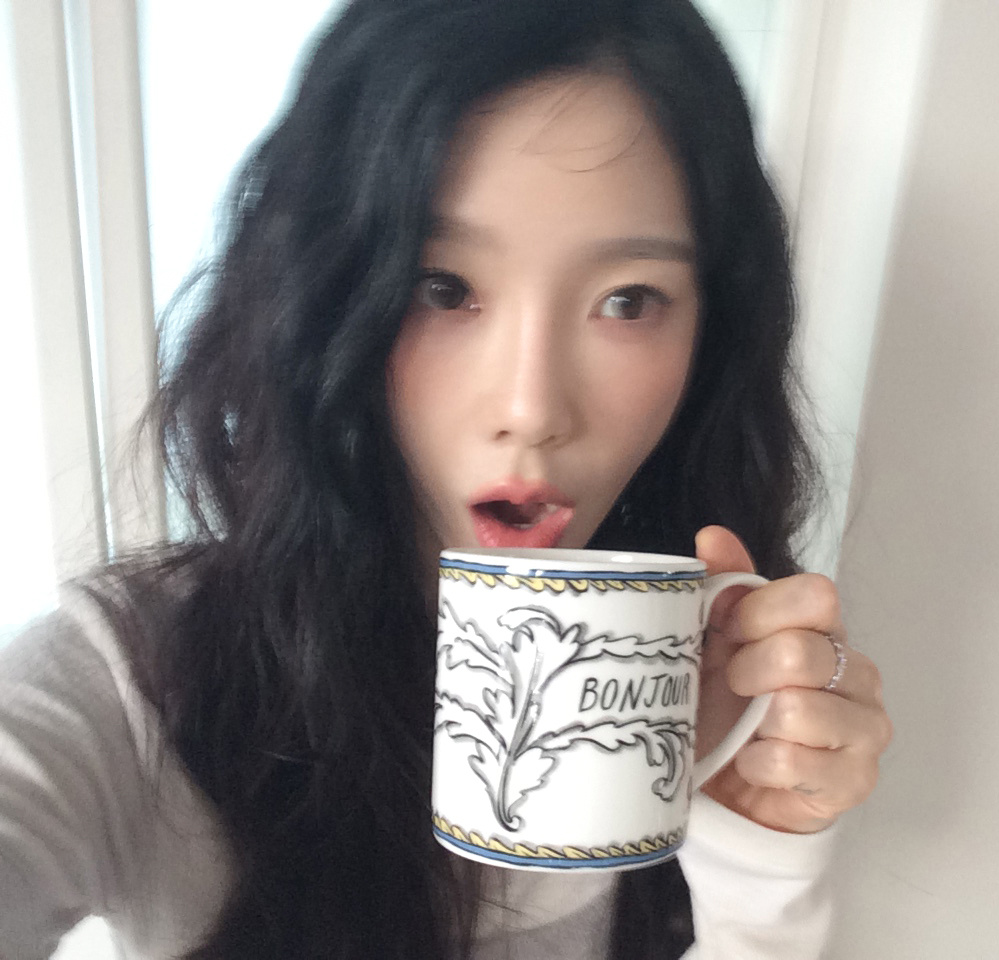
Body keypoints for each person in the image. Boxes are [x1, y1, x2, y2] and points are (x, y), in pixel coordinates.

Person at [0, 1, 891, 957]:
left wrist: (759, 873)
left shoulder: (707, 681)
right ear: (327, 297)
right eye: (442, 288)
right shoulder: (134, 688)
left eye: (628, 300)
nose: (532, 406)